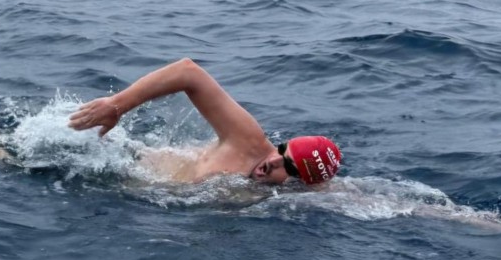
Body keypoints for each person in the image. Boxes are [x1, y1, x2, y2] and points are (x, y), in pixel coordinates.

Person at [68, 58, 341, 185]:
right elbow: (189, 72)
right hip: (109, 161)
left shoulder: (294, 195)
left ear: (300, 183)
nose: (273, 161)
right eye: (282, 150)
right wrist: (118, 106)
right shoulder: (247, 141)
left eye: (289, 167)